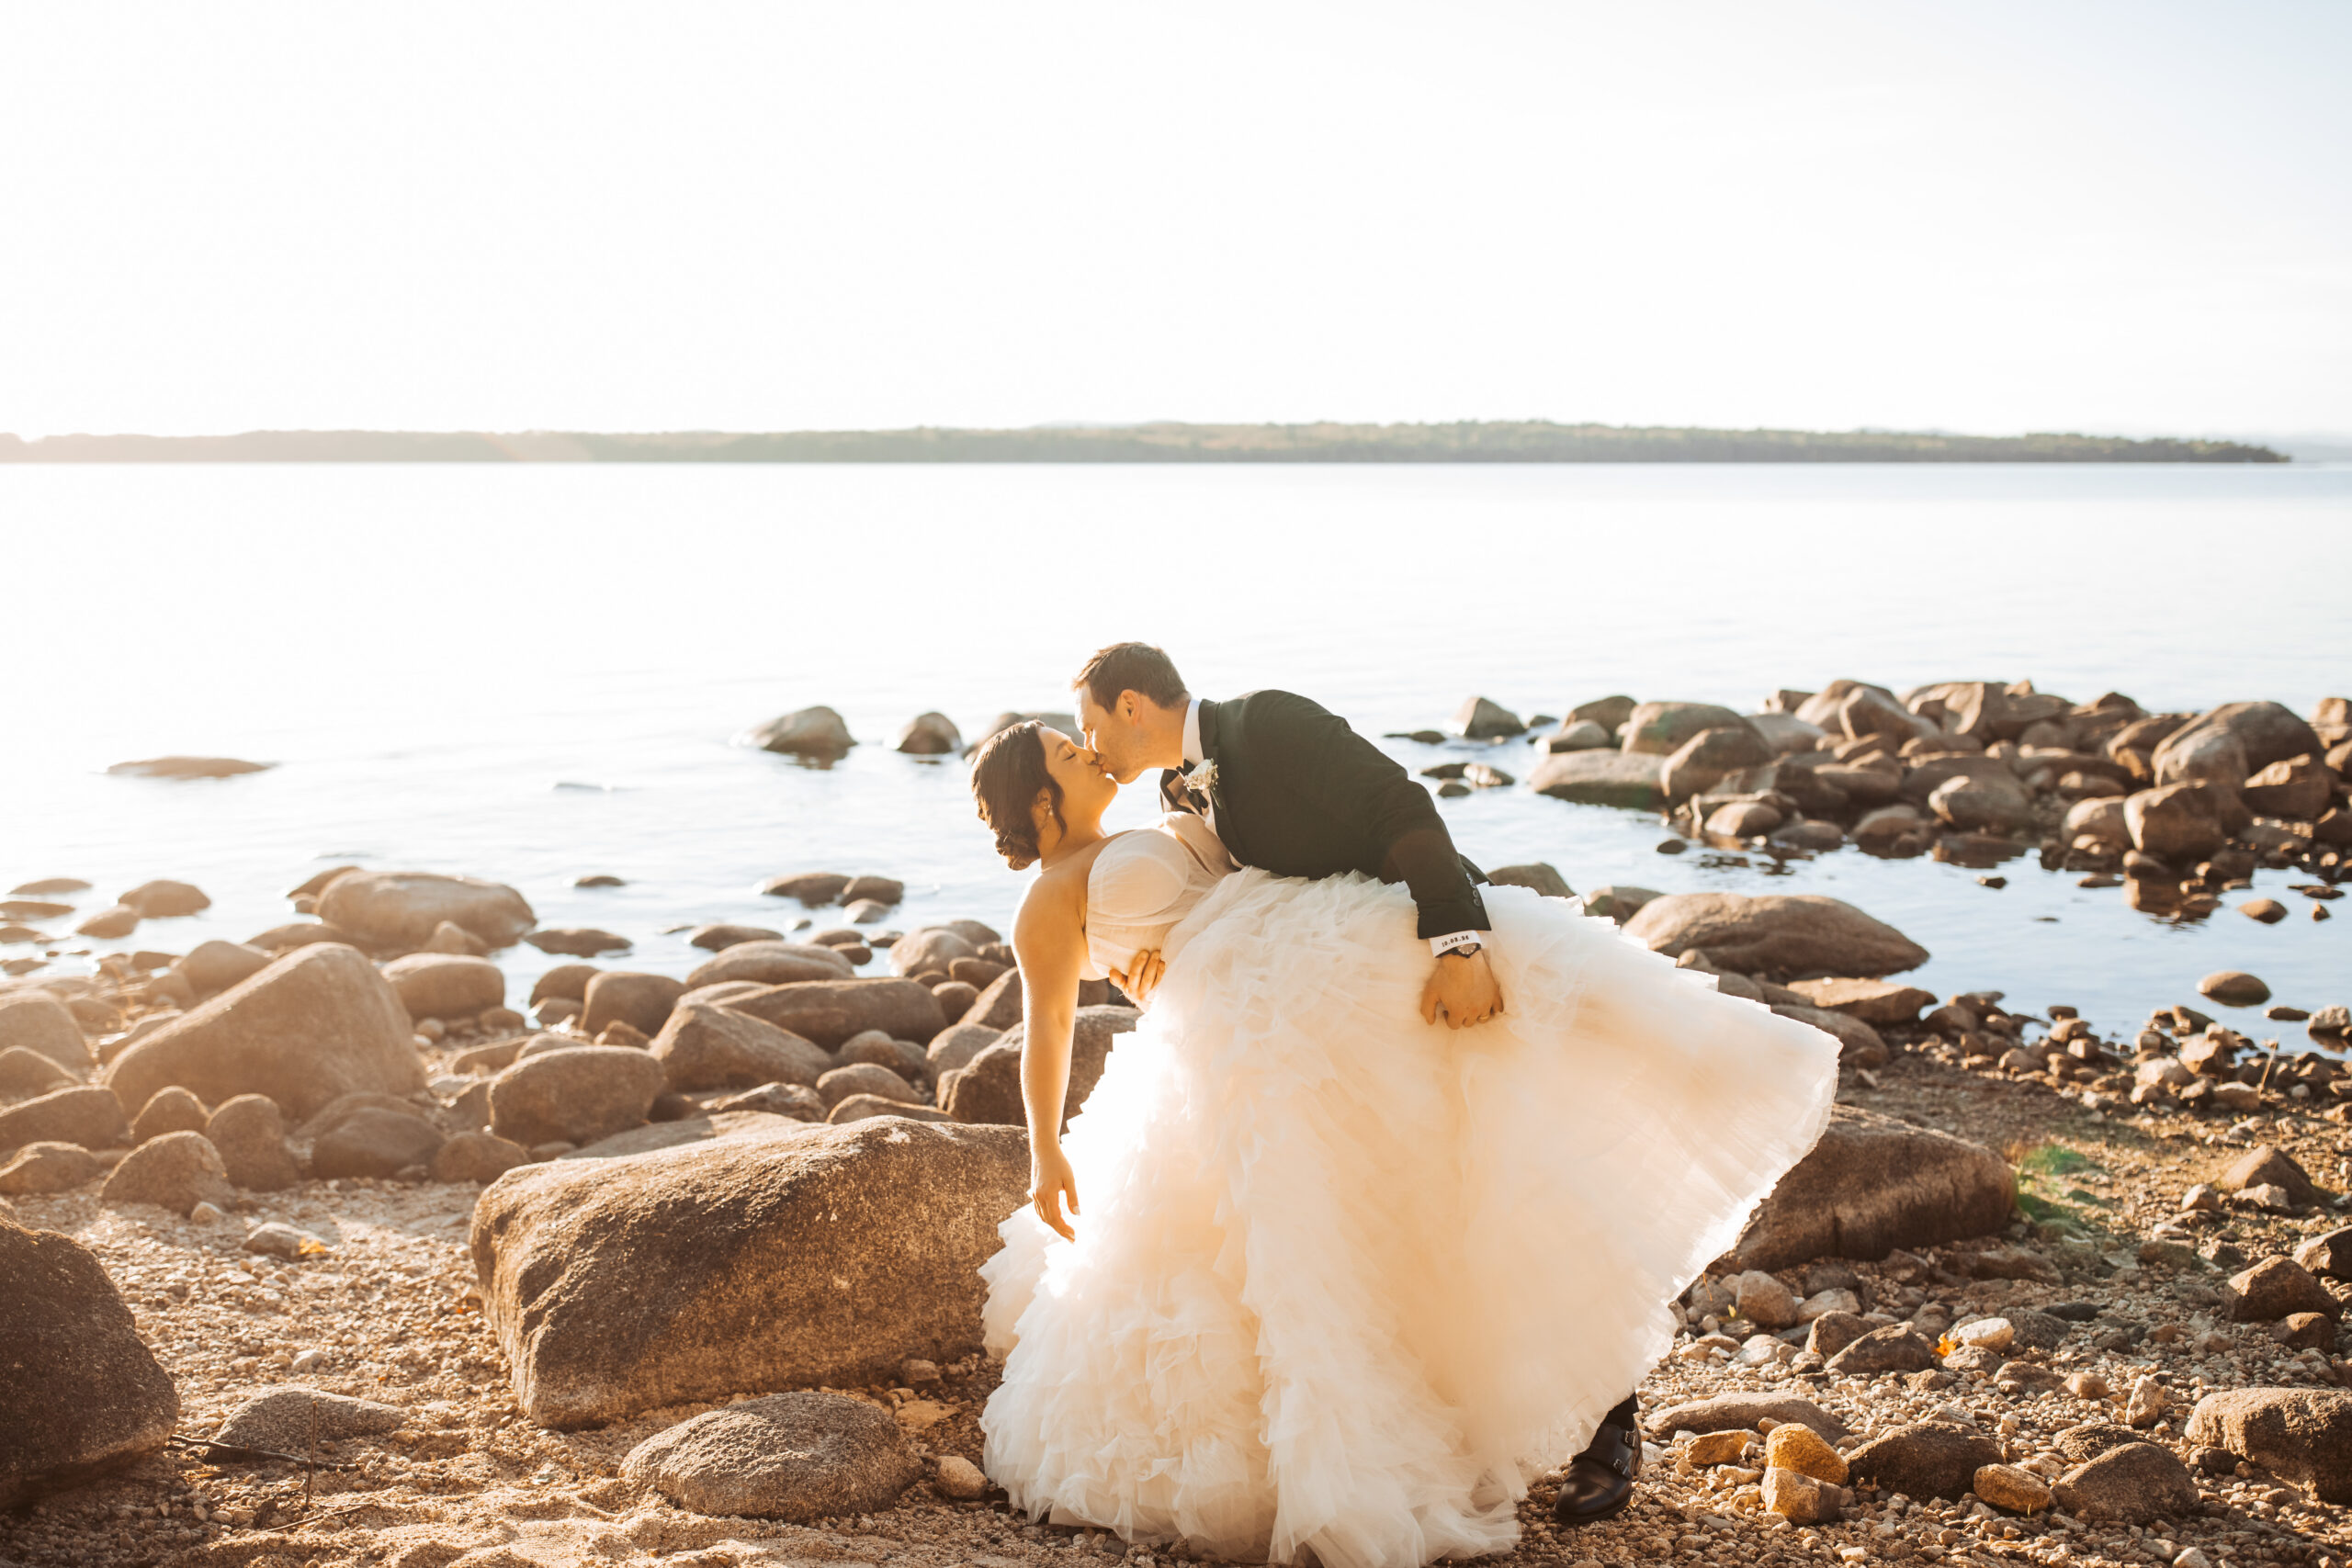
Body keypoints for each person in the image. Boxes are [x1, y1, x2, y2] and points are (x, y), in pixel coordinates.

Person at [965, 648, 1839, 1568]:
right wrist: (1046, 1149)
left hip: (1343, 980)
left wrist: (1454, 939)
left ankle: (1598, 1403)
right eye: (1070, 754)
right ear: (1037, 801)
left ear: (1132, 703)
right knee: (1328, 1238)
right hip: (1257, 1043)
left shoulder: (1224, 754)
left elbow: (1377, 817)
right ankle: (1381, 1429)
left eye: (1087, 733)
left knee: (1502, 1136)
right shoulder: (1071, 880)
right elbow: (1054, 1020)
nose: (1091, 752)